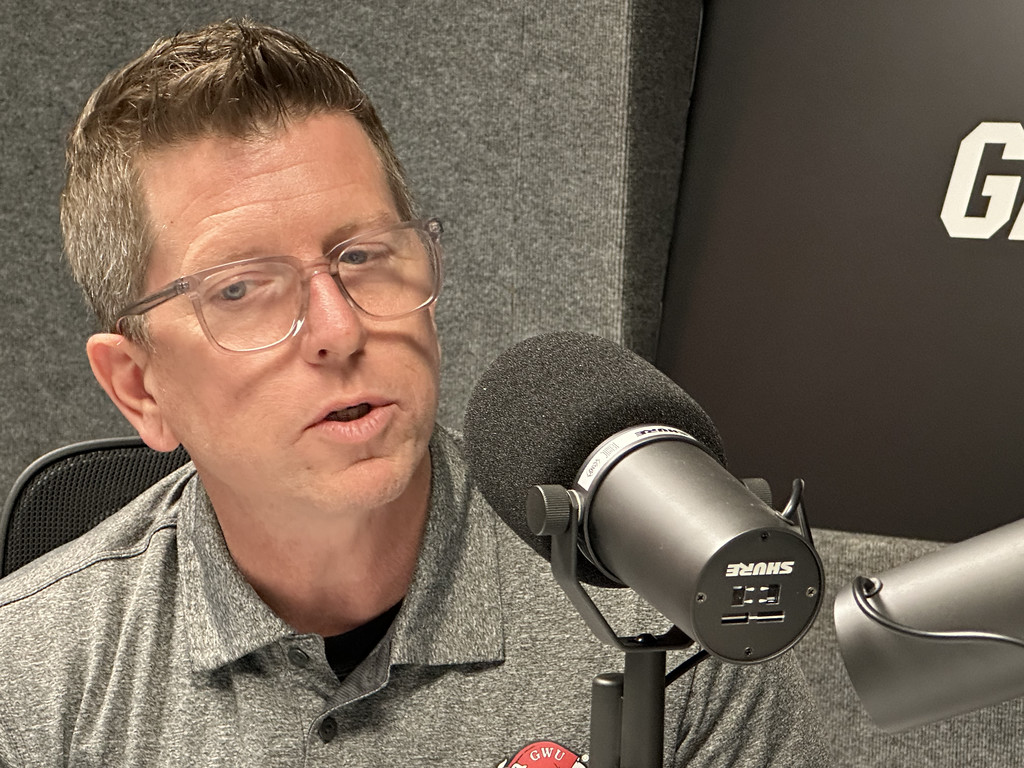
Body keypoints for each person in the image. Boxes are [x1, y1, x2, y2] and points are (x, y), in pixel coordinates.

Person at [0, 19, 828, 766]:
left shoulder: (669, 611)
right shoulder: (29, 675)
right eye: (243, 289)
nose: (339, 328)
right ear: (139, 387)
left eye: (361, 256)